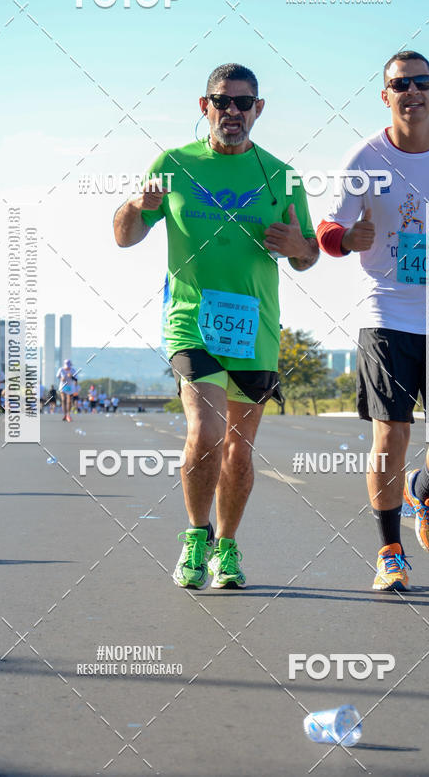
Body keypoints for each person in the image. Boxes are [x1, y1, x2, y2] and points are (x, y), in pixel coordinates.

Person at [114, 62, 318, 590]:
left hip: (255, 330)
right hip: (192, 322)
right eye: (222, 101)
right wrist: (136, 205)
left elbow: (308, 255)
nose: (232, 111)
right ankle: (195, 536)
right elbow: (125, 236)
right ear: (203, 106)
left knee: (238, 449)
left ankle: (227, 548)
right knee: (205, 432)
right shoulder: (174, 164)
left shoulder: (282, 175)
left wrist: (299, 249)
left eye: (243, 102)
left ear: (259, 109)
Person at [317, 50, 429, 592]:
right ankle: (390, 550)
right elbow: (329, 229)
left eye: (422, 82)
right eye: (401, 84)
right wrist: (348, 239)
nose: (412, 92)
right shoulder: (364, 159)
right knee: (391, 433)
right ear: (386, 96)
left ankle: (425, 492)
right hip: (386, 314)